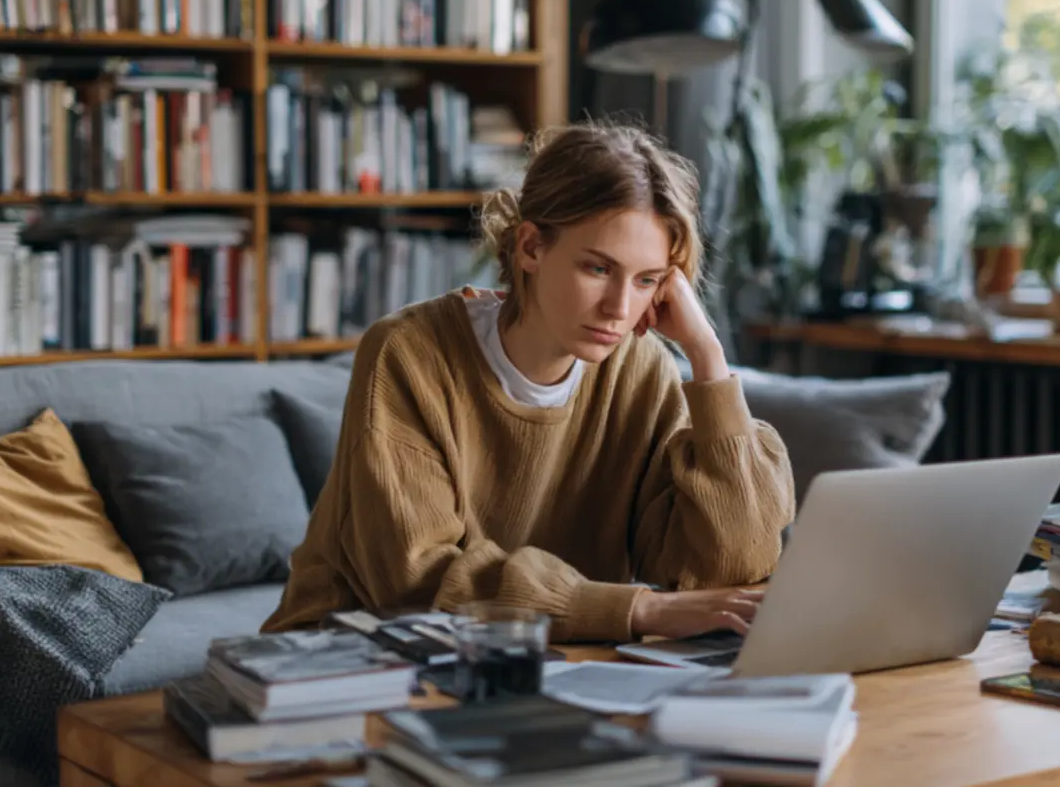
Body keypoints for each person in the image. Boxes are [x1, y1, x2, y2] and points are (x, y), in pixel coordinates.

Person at [262, 120, 795, 643]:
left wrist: (707, 357)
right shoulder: (409, 354)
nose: (620, 308)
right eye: (598, 269)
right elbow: (417, 580)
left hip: (555, 658)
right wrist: (640, 609)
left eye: (647, 280)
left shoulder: (641, 370)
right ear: (531, 248)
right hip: (355, 655)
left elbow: (730, 569)